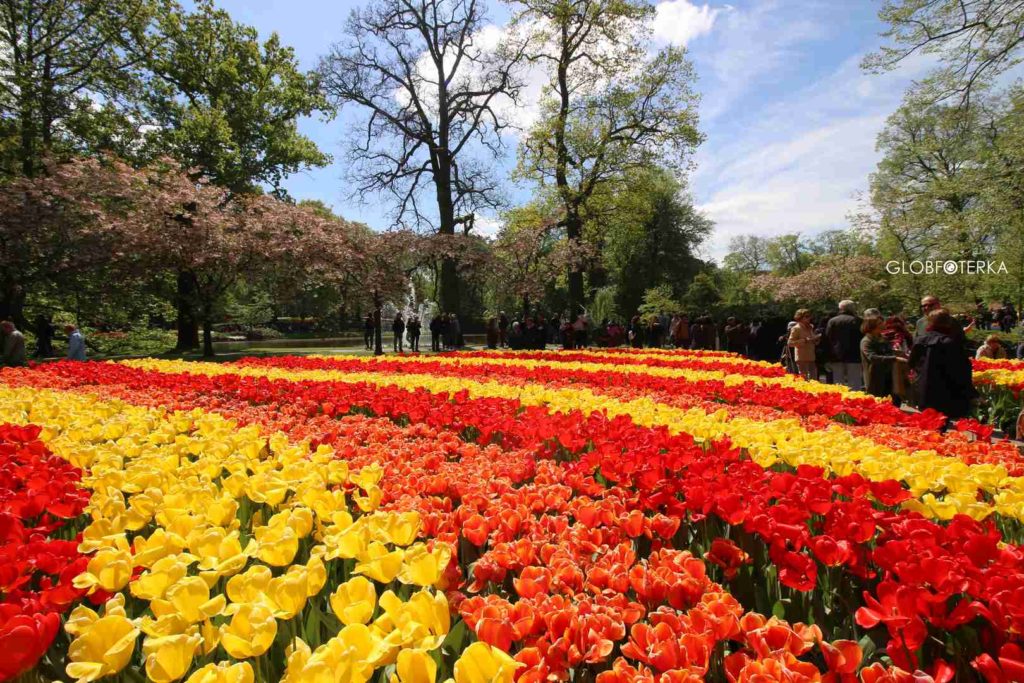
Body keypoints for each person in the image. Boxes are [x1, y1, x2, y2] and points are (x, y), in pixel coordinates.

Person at [909, 309, 976, 420]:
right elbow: (962, 369)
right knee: (942, 422)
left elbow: (912, 363)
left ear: (930, 323)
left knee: (928, 421)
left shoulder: (920, 340)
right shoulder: (951, 342)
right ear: (948, 323)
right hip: (946, 390)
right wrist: (970, 392)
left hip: (924, 387)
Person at [861, 316, 904, 399]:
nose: (883, 324)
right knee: (877, 400)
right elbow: (872, 357)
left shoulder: (883, 338)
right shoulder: (866, 341)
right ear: (871, 326)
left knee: (891, 399)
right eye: (880, 323)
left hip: (888, 374)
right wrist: (894, 358)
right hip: (875, 376)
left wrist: (897, 352)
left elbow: (888, 352)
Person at [825, 300, 863, 390]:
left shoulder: (832, 321)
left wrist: (828, 354)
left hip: (836, 354)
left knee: (838, 381)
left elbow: (828, 337)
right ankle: (855, 400)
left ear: (840, 308)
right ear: (853, 308)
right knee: (855, 381)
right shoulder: (858, 321)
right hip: (854, 354)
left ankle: (839, 401)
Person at [788, 309, 820, 381]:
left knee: (814, 378)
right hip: (802, 357)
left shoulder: (810, 328)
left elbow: (812, 340)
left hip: (811, 356)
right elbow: (790, 343)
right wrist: (805, 340)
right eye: (806, 316)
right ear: (800, 318)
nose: (809, 318)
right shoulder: (796, 328)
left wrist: (816, 339)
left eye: (809, 316)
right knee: (803, 378)